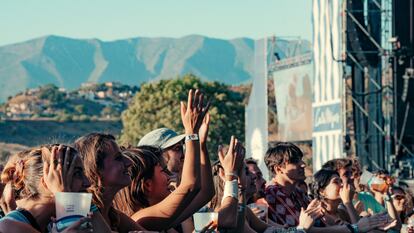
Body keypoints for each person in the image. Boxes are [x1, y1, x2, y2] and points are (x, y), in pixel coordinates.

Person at [113, 89, 214, 232]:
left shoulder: (158, 216)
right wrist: (191, 134)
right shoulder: (142, 218)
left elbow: (205, 193)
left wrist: (201, 145)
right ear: (147, 185)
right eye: (163, 171)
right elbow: (191, 186)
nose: (168, 177)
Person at [0, 145, 100, 233]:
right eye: (76, 173)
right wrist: (64, 195)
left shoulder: (49, 225)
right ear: (47, 182)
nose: (88, 183)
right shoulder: (10, 226)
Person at [74, 133, 146, 232]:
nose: (129, 162)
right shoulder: (81, 215)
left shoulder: (114, 216)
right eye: (118, 157)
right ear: (95, 169)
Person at [264, 142, 309, 227]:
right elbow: (300, 228)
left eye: (301, 160)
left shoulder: (297, 192)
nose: (303, 164)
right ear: (278, 169)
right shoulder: (271, 193)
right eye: (295, 161)